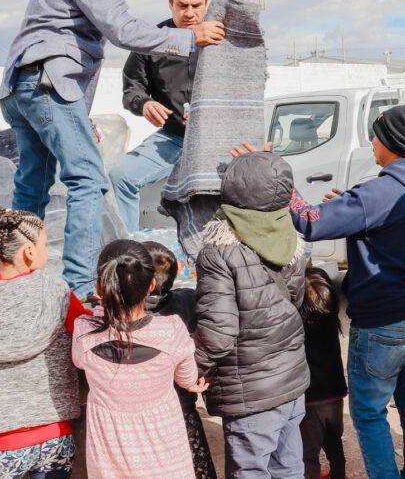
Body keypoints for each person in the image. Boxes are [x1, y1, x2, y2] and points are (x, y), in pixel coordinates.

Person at [0, 0, 225, 299]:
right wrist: (190, 39)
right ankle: (83, 289)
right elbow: (120, 28)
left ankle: (16, 278)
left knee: (32, 185)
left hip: (24, 84)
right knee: (89, 179)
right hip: (50, 84)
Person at [288, 105, 405, 479]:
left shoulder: (377, 193)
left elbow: (310, 223)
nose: (372, 143)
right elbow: (395, 225)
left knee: (369, 413)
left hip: (381, 321)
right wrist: (354, 208)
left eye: (375, 136)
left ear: (389, 142)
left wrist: (281, 180)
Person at [0, 204, 88, 479]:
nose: (46, 251)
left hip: (1, 446)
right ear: (29, 252)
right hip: (57, 439)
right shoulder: (56, 293)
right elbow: (84, 344)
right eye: (45, 245)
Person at [193, 151, 310, 478]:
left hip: (252, 393)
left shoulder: (219, 248)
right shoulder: (290, 235)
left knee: (251, 471)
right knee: (288, 469)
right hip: (291, 382)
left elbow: (218, 332)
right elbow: (293, 302)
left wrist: (195, 366)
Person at [73, 239, 208, 478]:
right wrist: (192, 384)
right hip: (165, 459)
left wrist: (99, 306)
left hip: (110, 460)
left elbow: (79, 362)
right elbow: (187, 377)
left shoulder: (84, 331)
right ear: (151, 285)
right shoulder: (172, 330)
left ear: (100, 288)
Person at [110, 0, 209, 232]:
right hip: (174, 138)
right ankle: (127, 254)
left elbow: (244, 92)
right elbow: (131, 90)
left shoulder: (223, 39)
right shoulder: (152, 40)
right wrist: (143, 104)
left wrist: (211, 115)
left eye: (196, 6)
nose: (189, 13)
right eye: (182, 5)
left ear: (206, 4)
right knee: (121, 176)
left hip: (217, 141)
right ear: (170, 3)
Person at [143, 241, 216, 479]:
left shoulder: (127, 316)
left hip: (145, 418)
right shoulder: (186, 300)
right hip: (184, 409)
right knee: (196, 467)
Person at [299, 267, 348, 479]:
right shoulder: (332, 323)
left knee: (308, 455)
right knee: (334, 443)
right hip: (335, 396)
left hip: (310, 401)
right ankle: (339, 475)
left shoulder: (297, 331)